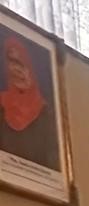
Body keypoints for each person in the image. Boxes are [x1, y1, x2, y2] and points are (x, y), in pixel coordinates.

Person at [1, 34, 60, 171]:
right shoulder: (1, 105)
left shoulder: (47, 115)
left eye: (22, 63)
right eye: (12, 61)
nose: (16, 69)